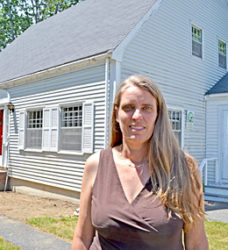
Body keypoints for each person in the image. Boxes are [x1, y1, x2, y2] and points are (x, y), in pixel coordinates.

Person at [72, 75, 208, 249]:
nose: (137, 116)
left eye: (146, 108)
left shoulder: (185, 168)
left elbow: (196, 243)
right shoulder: (96, 165)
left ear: (157, 114)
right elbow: (82, 236)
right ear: (116, 114)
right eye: (128, 108)